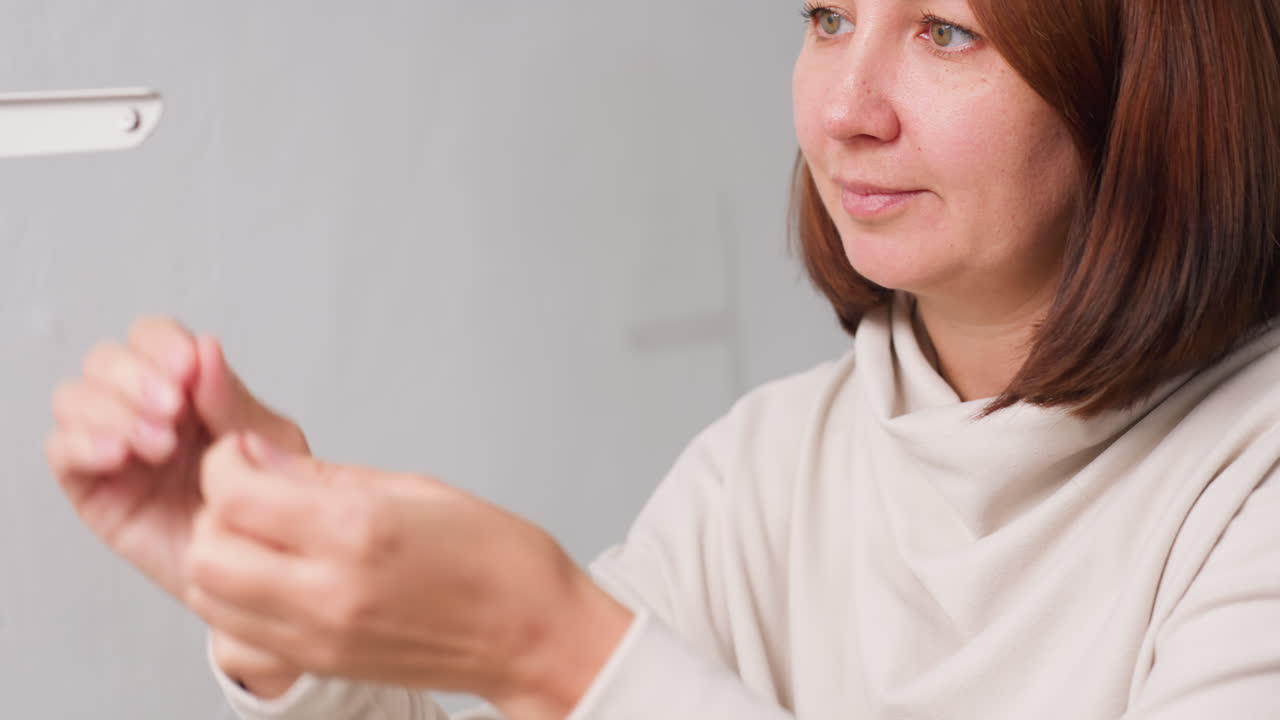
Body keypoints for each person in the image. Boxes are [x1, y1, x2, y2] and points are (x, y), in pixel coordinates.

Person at [45, 0, 1280, 718]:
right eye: (828, 15)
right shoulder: (767, 469)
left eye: (945, 33)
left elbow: (587, 677)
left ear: (1148, 80)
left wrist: (558, 648)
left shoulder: (1249, 481)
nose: (844, 107)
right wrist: (285, 608)